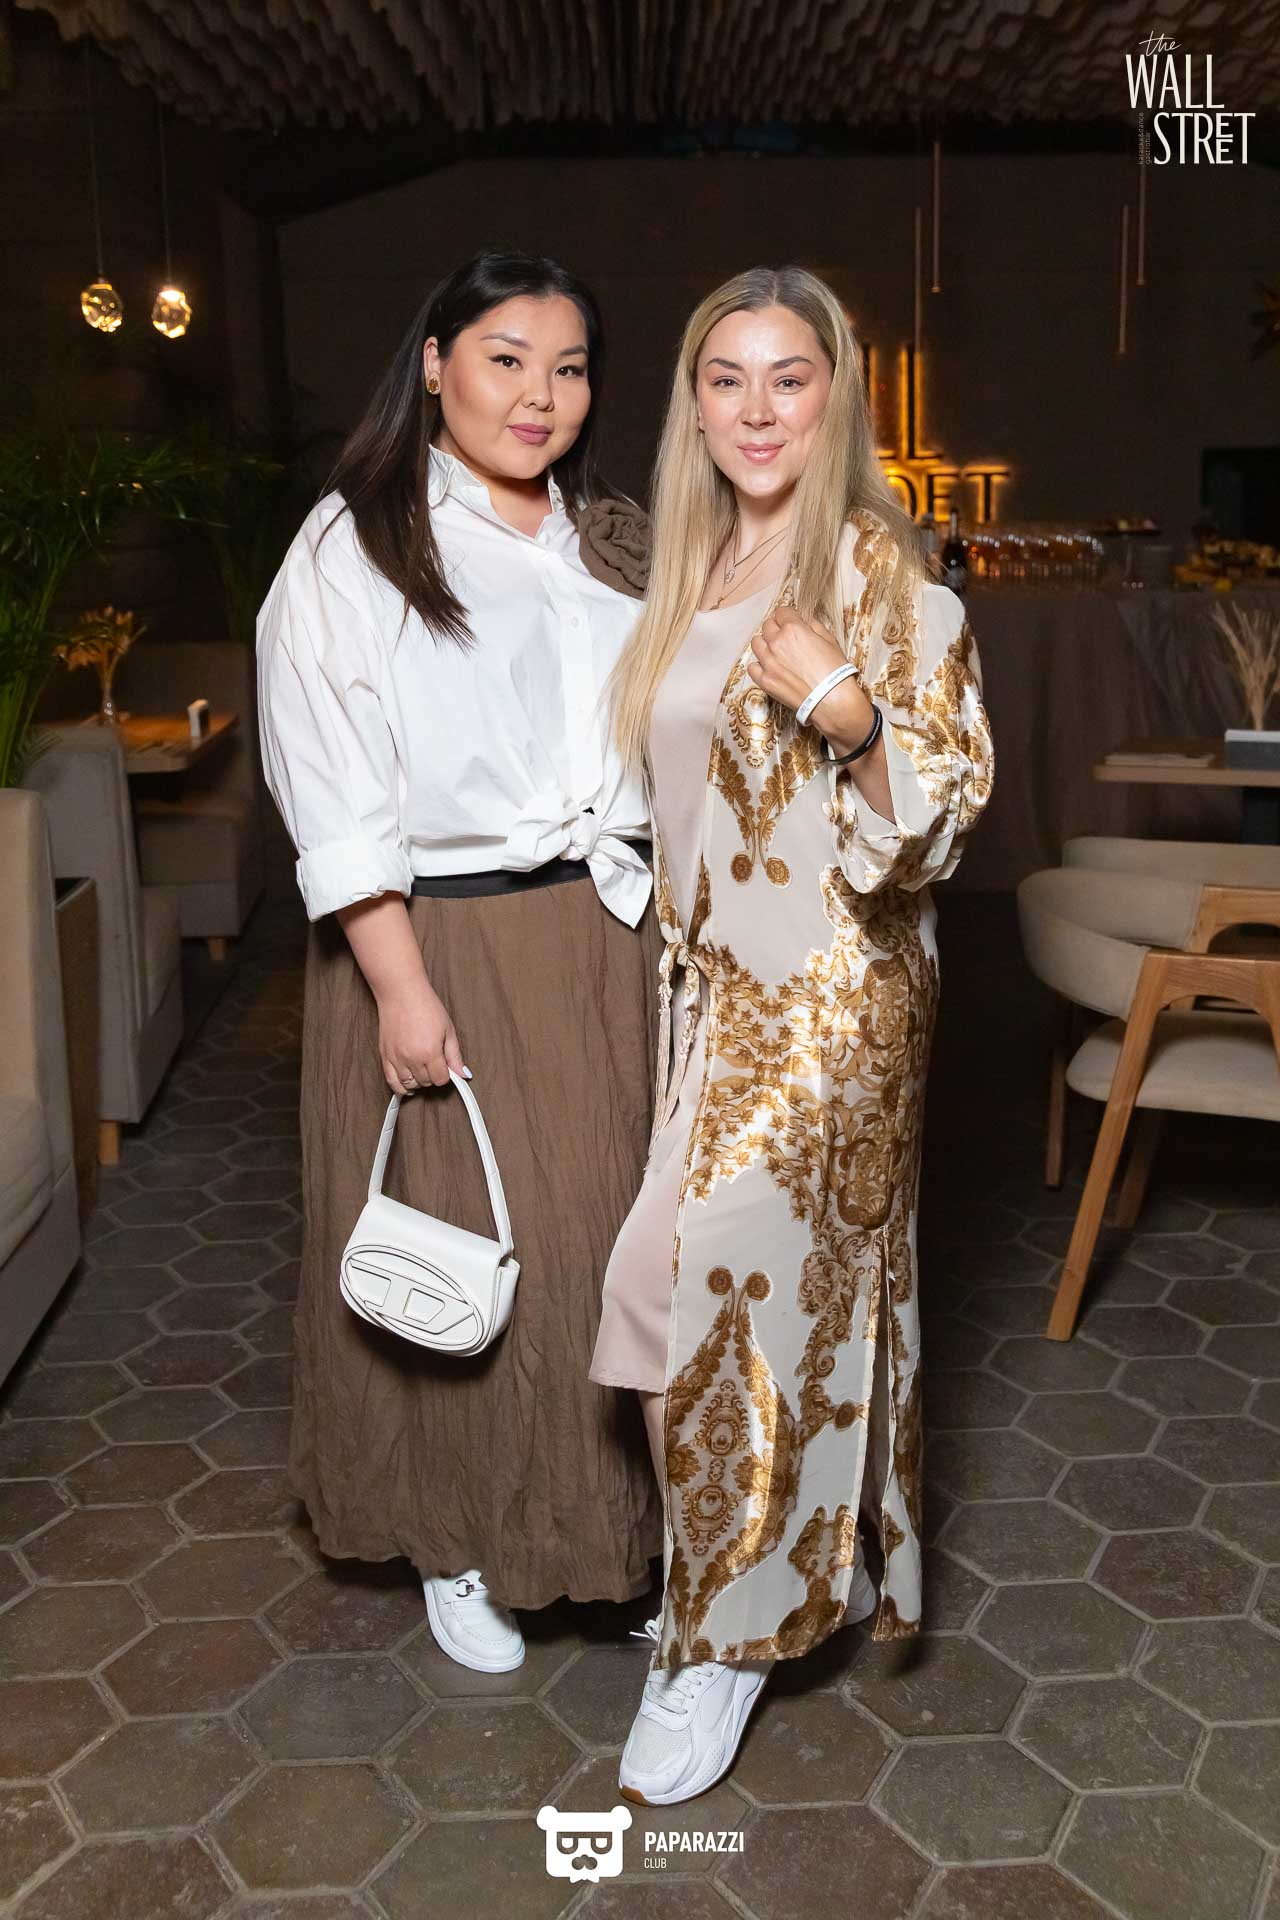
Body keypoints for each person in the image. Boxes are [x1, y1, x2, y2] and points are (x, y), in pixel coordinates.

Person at [590, 265, 994, 1802]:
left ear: (836, 400)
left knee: (709, 1307)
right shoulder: (695, 564)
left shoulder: (878, 569)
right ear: (694, 406)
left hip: (829, 1002)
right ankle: (726, 1575)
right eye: (728, 380)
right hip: (715, 998)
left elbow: (945, 808)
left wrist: (851, 712)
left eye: (789, 379)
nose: (757, 411)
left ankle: (724, 1642)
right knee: (676, 1308)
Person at [256, 249, 663, 1674]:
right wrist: (399, 984)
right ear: (434, 366)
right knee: (472, 1245)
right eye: (506, 358)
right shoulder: (356, 543)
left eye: (569, 367)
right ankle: (459, 1540)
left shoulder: (605, 539)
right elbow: (330, 777)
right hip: (444, 938)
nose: (540, 395)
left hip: (609, 934)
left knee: (605, 1248)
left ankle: (606, 1535)